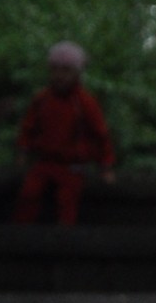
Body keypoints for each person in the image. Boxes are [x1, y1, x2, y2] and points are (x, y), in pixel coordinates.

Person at [13, 43, 114, 226]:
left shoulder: (85, 102)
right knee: (28, 194)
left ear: (77, 73)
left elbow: (101, 134)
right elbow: (28, 128)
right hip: (45, 161)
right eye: (55, 69)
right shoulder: (42, 99)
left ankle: (64, 238)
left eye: (66, 70)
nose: (59, 75)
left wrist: (105, 166)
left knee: (67, 200)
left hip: (72, 165)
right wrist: (23, 152)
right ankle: (21, 234)